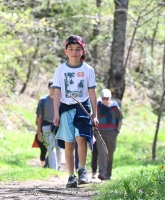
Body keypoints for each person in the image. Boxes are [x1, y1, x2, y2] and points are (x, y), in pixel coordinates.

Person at [52, 35, 99, 188]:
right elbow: (57, 93)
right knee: (69, 143)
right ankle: (71, 175)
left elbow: (92, 92)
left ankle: (82, 170)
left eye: (78, 49)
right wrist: (56, 113)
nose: (74, 52)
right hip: (66, 108)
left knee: (81, 139)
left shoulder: (88, 70)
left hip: (83, 108)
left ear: (82, 51)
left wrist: (95, 114)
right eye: (71, 49)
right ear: (66, 51)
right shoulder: (60, 70)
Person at [96, 88, 123, 180]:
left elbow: (120, 119)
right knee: (102, 152)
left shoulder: (115, 107)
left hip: (112, 133)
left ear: (110, 98)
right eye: (103, 98)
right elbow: (93, 119)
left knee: (110, 154)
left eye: (107, 98)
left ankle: (108, 174)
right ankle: (102, 173)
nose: (105, 100)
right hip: (100, 133)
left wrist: (117, 131)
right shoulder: (97, 107)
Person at [36, 80, 62, 170]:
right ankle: (53, 169)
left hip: (59, 127)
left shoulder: (61, 100)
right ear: (48, 88)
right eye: (51, 87)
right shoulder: (43, 100)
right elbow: (39, 117)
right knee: (51, 149)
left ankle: (58, 167)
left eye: (55, 88)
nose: (53, 89)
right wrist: (39, 132)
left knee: (59, 149)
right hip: (46, 126)